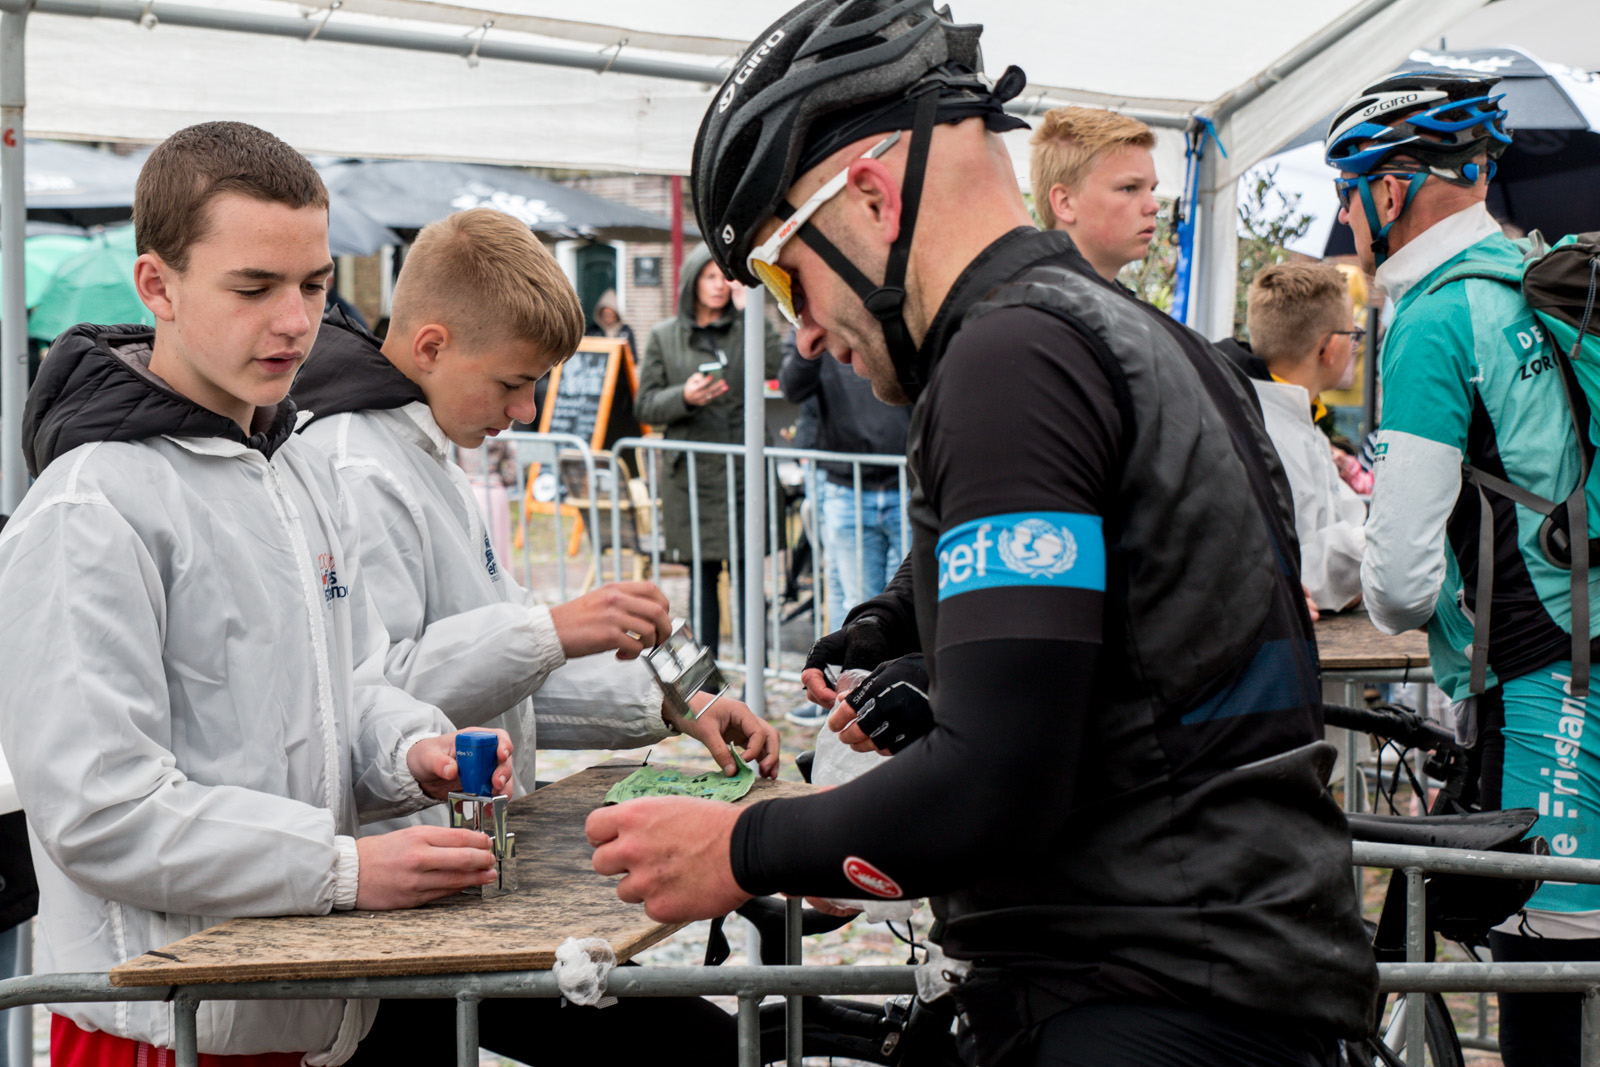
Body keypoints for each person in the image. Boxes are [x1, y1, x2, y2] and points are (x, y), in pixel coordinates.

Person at [587, 5, 1377, 1066]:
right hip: (1219, 977)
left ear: (869, 194)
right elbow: (1118, 654)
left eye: (783, 274)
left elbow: (995, 784)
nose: (803, 332)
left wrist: (740, 844)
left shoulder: (1011, 358)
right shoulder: (1137, 335)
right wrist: (894, 634)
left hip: (1138, 995)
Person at [0, 121, 515, 1065]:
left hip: (294, 1005)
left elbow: (345, 685)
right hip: (163, 1023)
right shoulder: (89, 506)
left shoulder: (295, 469)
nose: (294, 320)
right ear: (157, 285)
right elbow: (100, 809)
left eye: (314, 285)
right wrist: (344, 867)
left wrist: (413, 748)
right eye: (253, 287)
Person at [293, 207, 774, 1065]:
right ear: (432, 346)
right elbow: (372, 696)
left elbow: (511, 680)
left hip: (463, 873)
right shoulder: (355, 464)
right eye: (514, 382)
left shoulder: (424, 449)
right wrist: (549, 628)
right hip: (403, 897)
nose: (524, 409)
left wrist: (673, 703)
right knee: (688, 1044)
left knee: (687, 1041)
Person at [1330, 71, 1600, 1066]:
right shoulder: (1538, 277)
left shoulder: (1436, 319)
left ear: (1388, 188)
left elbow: (1398, 586)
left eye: (1345, 194)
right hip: (1583, 650)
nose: (1345, 219)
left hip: (1544, 684)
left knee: (1550, 981)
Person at [635, 245, 782, 661]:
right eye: (711, 277)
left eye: (727, 277)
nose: (720, 285)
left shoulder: (744, 327)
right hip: (693, 480)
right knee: (702, 577)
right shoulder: (665, 336)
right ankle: (708, 673)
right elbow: (645, 405)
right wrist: (683, 396)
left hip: (743, 474)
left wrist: (751, 308)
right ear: (692, 281)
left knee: (748, 574)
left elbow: (774, 363)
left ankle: (757, 670)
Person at [778, 329, 910, 726]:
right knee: (857, 603)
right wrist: (806, 347)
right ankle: (852, 707)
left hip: (904, 479)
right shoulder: (815, 325)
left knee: (903, 607)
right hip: (847, 484)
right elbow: (792, 387)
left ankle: (888, 705)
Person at [1240, 261, 1367, 613]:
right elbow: (1294, 575)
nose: (1355, 346)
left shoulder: (1301, 418)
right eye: (1353, 334)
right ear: (1329, 348)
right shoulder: (1269, 434)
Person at [1028, 105, 1161, 282]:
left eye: (1152, 189)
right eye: (1129, 188)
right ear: (1065, 203)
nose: (1154, 206)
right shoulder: (1027, 297)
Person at [584, 287, 636, 354]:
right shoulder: (592, 331)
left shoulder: (625, 331)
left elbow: (632, 354)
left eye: (611, 315)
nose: (608, 318)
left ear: (616, 314)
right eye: (605, 315)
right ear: (600, 314)